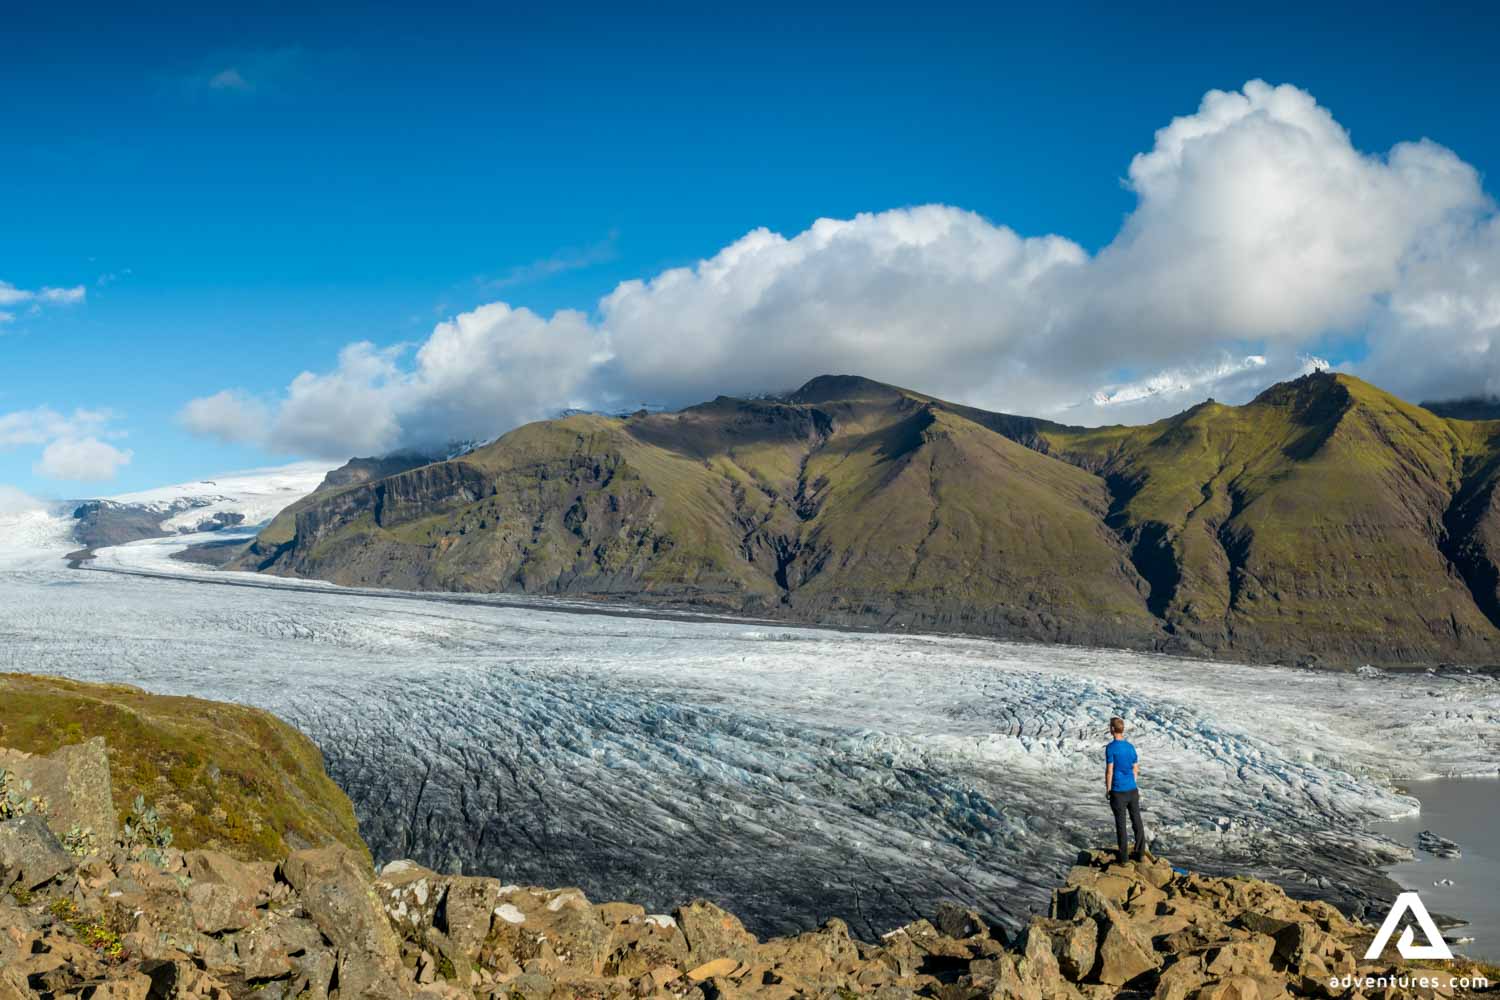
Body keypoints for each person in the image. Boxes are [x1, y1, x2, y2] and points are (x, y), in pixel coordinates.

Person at [1104, 716, 1146, 863]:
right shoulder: (1130, 747)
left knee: (1121, 825)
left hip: (1118, 791)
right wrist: (1132, 784)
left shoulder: (1111, 748)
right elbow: (1135, 768)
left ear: (1112, 730)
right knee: (1137, 821)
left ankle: (1123, 859)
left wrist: (1108, 789)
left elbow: (1110, 770)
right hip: (1132, 790)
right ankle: (1140, 853)